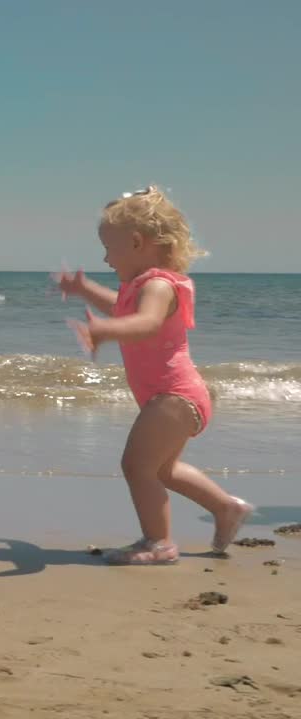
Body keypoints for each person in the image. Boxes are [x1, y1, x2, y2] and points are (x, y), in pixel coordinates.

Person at [56, 186, 253, 565]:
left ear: (136, 242)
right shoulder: (140, 286)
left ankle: (159, 542)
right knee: (164, 469)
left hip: (174, 396)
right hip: (173, 398)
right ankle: (226, 507)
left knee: (136, 466)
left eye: (108, 248)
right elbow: (120, 307)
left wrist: (103, 332)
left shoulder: (160, 285)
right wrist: (83, 290)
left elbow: (144, 323)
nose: (106, 258)